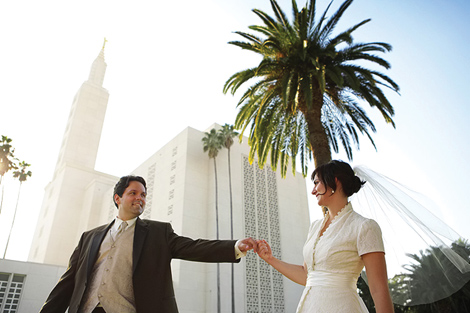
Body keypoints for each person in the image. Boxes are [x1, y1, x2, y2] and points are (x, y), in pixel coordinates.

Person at [39, 175, 257, 313]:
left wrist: (235, 246)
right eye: (133, 193)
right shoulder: (89, 237)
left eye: (143, 195)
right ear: (118, 198)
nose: (140, 198)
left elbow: (193, 247)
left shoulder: (158, 233)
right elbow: (67, 283)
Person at [256, 160, 394, 313]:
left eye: (316, 183)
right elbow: (306, 275)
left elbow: (378, 289)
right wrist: (270, 259)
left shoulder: (364, 226)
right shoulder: (315, 227)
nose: (313, 191)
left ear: (335, 181)